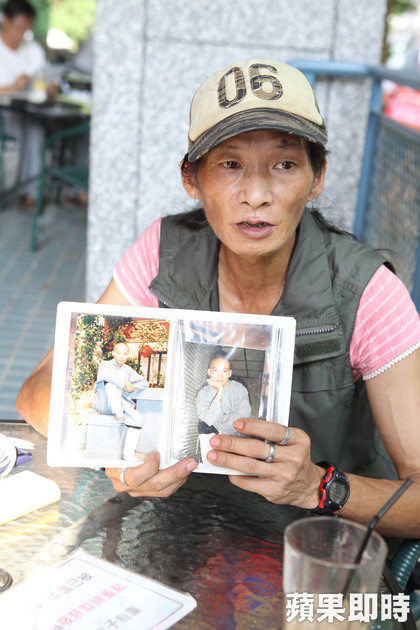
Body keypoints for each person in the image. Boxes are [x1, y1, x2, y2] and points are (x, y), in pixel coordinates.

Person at [16, 58, 420, 538]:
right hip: (180, 536)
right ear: (192, 178)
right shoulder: (162, 252)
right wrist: (114, 457)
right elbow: (37, 392)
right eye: (230, 164)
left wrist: (316, 486)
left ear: (317, 177)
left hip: (309, 549)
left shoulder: (367, 291)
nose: (257, 194)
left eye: (285, 164)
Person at [0, 0, 51, 208]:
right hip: (5, 114)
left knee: (36, 128)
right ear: (5, 20)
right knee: (32, 129)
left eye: (26, 29)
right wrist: (13, 86)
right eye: (19, 28)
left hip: (32, 111)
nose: (22, 34)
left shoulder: (33, 49)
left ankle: (31, 193)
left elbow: (46, 77)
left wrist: (49, 86)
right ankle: (29, 191)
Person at [92, 341, 150, 459]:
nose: (121, 356)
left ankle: (128, 454)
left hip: (122, 404)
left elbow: (145, 382)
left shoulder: (128, 370)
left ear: (127, 355)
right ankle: (117, 411)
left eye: (124, 354)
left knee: (138, 419)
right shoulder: (104, 365)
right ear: (113, 353)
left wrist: (133, 387)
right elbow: (109, 377)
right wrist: (124, 383)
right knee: (111, 384)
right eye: (118, 353)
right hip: (104, 402)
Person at [196, 350, 252, 463]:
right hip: (212, 442)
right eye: (215, 370)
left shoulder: (239, 389)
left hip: (236, 440)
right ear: (209, 372)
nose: (220, 375)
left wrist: (220, 428)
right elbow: (208, 420)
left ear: (230, 373)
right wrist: (219, 392)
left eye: (224, 371)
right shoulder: (203, 393)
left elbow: (243, 417)